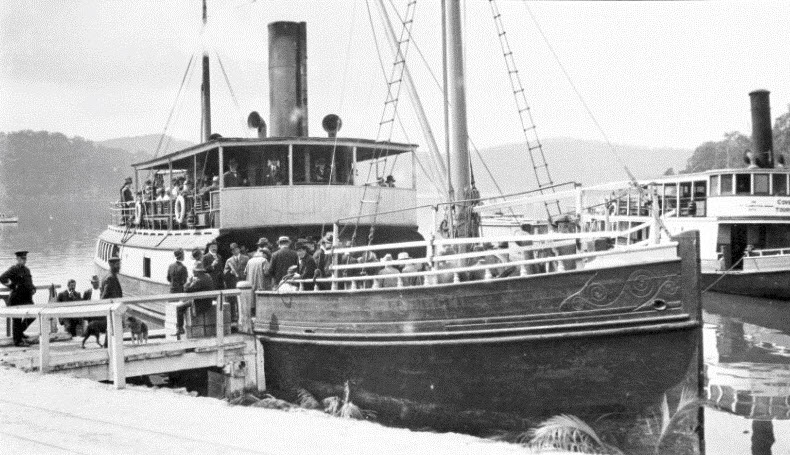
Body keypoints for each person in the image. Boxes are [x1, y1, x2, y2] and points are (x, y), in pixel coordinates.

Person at [0, 251, 37, 346]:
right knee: (17, 320)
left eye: (25, 259)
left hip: (27, 298)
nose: (24, 261)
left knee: (33, 315)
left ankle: (19, 332)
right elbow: (2, 278)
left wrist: (33, 288)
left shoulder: (27, 270)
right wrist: (12, 286)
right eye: (22, 259)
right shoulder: (14, 269)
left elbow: (29, 282)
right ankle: (18, 341)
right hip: (17, 298)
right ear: (18, 259)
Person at [184, 262, 216, 338]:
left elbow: (187, 289)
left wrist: (189, 281)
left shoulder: (198, 281)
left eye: (194, 271)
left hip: (201, 304)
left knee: (180, 307)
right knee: (185, 302)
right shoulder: (208, 276)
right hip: (208, 302)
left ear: (197, 272)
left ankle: (180, 329)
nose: (192, 272)